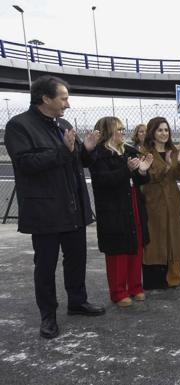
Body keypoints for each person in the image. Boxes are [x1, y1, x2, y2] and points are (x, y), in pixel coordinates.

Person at [5, 75, 105, 339]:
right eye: (63, 98)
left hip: (73, 206)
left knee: (77, 258)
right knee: (46, 265)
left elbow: (74, 161)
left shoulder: (63, 124)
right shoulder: (18, 126)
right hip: (45, 210)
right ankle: (48, 315)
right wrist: (63, 150)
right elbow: (26, 163)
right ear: (45, 99)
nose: (67, 104)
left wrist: (87, 150)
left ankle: (77, 301)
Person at [89, 117, 153, 307]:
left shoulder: (129, 151)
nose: (123, 133)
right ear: (108, 132)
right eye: (119, 130)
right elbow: (103, 182)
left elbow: (141, 180)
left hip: (133, 202)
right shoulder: (99, 155)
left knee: (136, 243)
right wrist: (127, 170)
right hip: (113, 208)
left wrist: (142, 171)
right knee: (118, 250)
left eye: (124, 130)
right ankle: (118, 291)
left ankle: (135, 286)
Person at [141, 117, 180, 289]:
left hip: (172, 201)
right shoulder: (145, 152)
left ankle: (174, 275)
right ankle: (156, 278)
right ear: (152, 132)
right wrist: (167, 166)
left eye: (166, 130)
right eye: (160, 130)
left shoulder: (173, 151)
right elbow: (149, 177)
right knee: (156, 237)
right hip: (154, 201)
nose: (164, 133)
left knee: (174, 236)